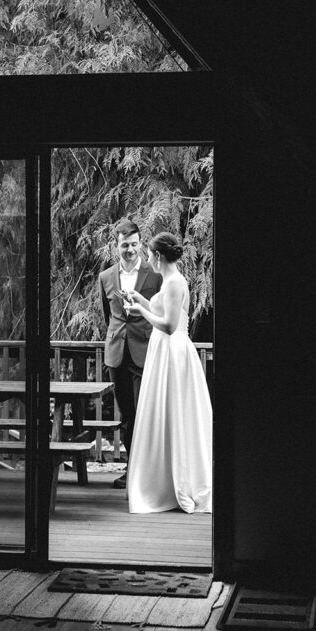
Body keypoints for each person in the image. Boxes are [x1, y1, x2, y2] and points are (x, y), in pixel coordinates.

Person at [125, 231, 212, 513]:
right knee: (164, 415)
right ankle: (162, 478)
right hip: (163, 352)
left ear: (158, 256)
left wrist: (140, 308)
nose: (146, 258)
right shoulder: (168, 282)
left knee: (175, 413)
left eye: (149, 253)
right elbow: (161, 310)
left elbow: (169, 325)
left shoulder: (175, 282)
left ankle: (179, 483)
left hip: (173, 353)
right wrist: (141, 298)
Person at [99, 218, 162, 488]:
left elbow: (159, 312)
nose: (130, 250)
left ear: (140, 244)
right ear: (117, 246)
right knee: (126, 414)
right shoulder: (105, 277)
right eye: (125, 245)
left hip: (144, 351)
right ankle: (131, 469)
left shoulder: (154, 275)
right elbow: (108, 316)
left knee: (143, 412)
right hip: (117, 353)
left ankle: (147, 472)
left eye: (135, 244)